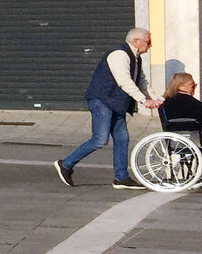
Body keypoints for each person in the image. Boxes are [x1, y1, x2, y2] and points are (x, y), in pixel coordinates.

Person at [56, 26, 159, 190]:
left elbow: (141, 81)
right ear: (136, 41)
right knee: (100, 139)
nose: (150, 44)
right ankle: (66, 164)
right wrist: (142, 100)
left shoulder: (135, 57)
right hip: (102, 100)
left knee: (122, 139)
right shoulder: (119, 54)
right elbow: (124, 80)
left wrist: (155, 98)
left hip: (117, 103)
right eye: (148, 41)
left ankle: (121, 178)